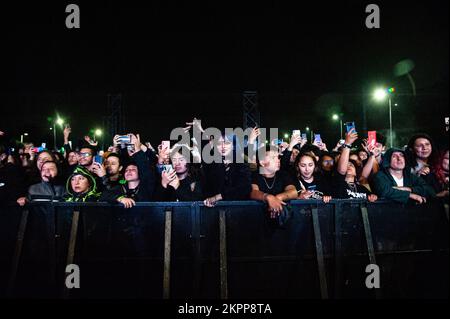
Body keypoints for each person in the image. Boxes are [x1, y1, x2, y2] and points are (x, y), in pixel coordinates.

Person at [100, 134, 155, 208]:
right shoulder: (121, 186)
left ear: (139, 173)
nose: (129, 171)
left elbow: (147, 170)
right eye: (126, 170)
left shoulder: (146, 187)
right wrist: (120, 198)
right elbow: (104, 195)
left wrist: (138, 148)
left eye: (133, 170)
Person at [202, 132, 252, 207]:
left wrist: (217, 197)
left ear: (233, 146)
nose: (223, 146)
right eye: (219, 144)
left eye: (227, 143)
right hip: (214, 210)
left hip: (238, 210)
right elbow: (207, 189)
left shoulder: (241, 165)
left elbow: (244, 188)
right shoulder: (212, 165)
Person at [250, 149, 297, 218]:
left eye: (278, 157)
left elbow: (293, 192)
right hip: (258, 217)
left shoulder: (283, 174)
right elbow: (253, 192)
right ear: (262, 162)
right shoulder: (254, 175)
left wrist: (278, 198)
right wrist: (268, 197)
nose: (278, 160)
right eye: (273, 157)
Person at [333, 129, 377, 202]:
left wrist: (372, 155)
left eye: (351, 165)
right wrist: (347, 144)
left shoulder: (362, 188)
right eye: (346, 165)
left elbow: (364, 176)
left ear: (356, 172)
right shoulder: (338, 184)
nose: (348, 166)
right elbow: (341, 170)